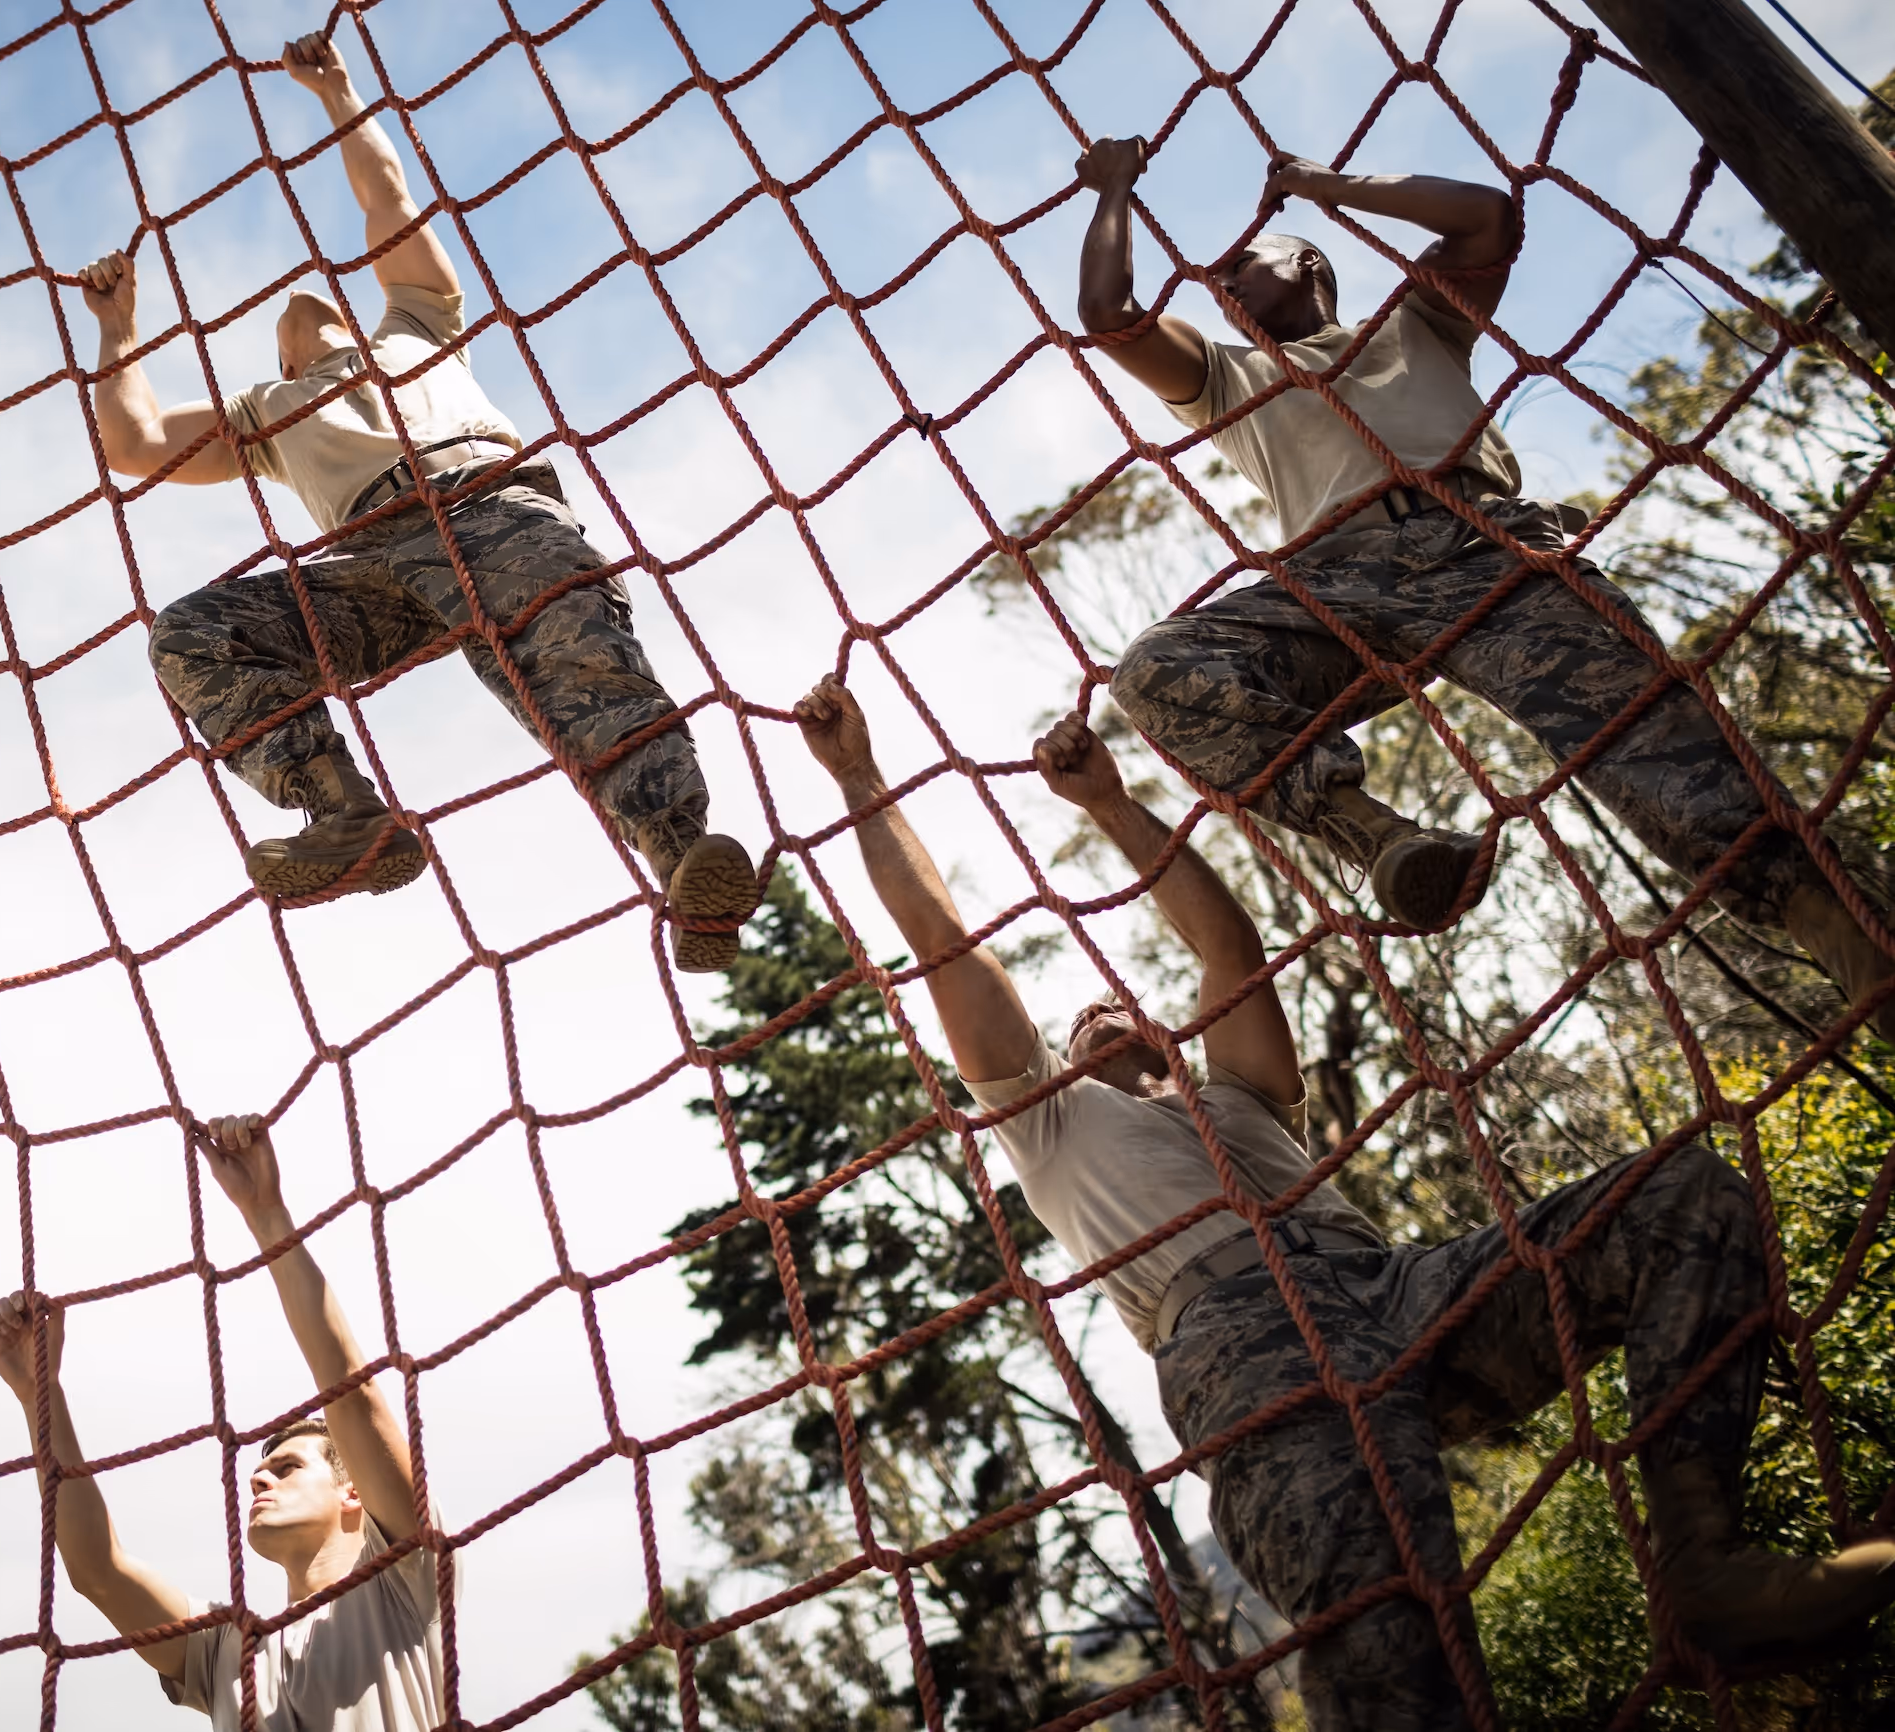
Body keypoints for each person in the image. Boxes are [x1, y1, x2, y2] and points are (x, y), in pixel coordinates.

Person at [795, 674, 1895, 1729]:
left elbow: (1229, 947)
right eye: (1076, 1018)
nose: (1096, 1007)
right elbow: (942, 948)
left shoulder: (1241, 1098)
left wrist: (1115, 805)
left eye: (1115, 999)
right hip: (1245, 1347)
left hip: (1394, 1284)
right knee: (1389, 1633)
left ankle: (1705, 1563)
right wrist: (859, 779)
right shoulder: (1045, 1124)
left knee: (1680, 1198)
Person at [1072, 138, 1895, 1033]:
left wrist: (1323, 185)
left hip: (1483, 547)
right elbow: (1108, 314)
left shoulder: (1409, 325)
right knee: (1157, 668)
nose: (1221, 282)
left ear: (1310, 261)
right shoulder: (1227, 375)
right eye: (1216, 280)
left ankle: (1854, 947)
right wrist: (1115, 188)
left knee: (1658, 750)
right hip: (1335, 582)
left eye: (1241, 262)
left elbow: (1487, 217)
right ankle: (1372, 834)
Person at [74, 30, 759, 969]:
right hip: (382, 559)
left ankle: (685, 865)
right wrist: (118, 335)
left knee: (577, 671)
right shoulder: (264, 415)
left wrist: (337, 92)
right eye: (295, 321)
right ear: (280, 362)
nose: (312, 305)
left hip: (493, 507)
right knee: (194, 631)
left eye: (333, 304)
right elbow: (135, 445)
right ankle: (342, 812)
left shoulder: (420, 328)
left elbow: (386, 200)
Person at [0, 1113, 449, 1728]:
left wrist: (265, 1214)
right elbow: (98, 1570)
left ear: (352, 1491)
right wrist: (41, 1394)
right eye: (261, 1470)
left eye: (286, 1467)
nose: (259, 1480)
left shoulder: (404, 1578)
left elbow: (351, 1395)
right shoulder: (232, 1652)